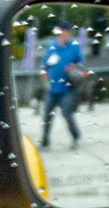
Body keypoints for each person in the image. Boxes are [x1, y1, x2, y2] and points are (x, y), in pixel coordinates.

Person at [38, 21, 89, 149]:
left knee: (67, 114)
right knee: (47, 115)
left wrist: (75, 68)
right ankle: (45, 141)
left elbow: (82, 66)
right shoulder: (52, 46)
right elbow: (44, 67)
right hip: (52, 88)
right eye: (63, 31)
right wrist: (45, 84)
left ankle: (75, 136)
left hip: (68, 88)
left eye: (68, 31)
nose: (66, 34)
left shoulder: (75, 47)